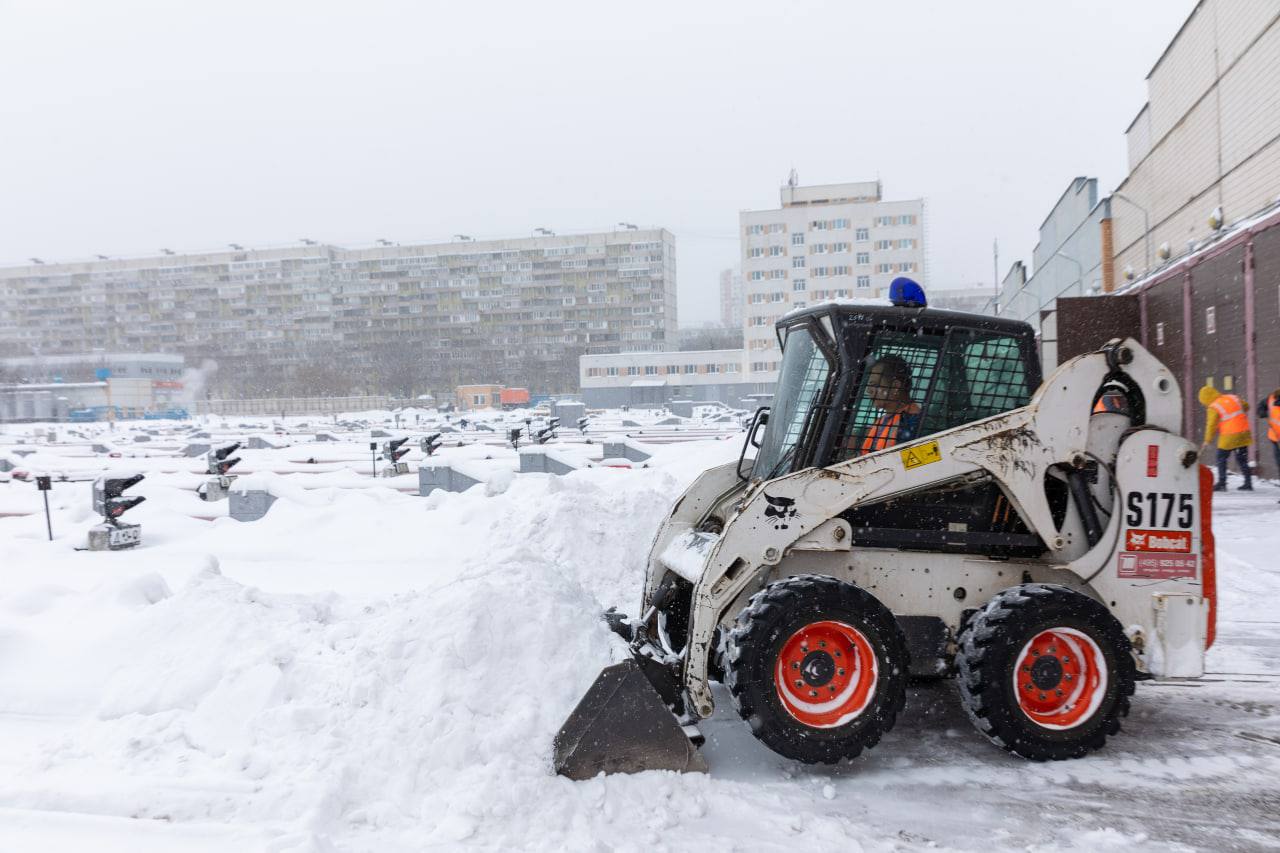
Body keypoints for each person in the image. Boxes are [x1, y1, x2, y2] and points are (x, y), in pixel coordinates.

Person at [855, 354, 922, 454]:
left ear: (895, 386)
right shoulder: (885, 420)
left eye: (874, 385)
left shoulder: (912, 421)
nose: (869, 391)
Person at [1199, 385, 1253, 491]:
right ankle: (1248, 483)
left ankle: (1222, 483)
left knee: (1221, 459)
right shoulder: (1232, 397)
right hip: (1243, 433)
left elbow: (1211, 425)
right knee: (1242, 460)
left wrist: (1207, 440)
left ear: (1206, 399)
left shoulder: (1213, 406)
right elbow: (1247, 406)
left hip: (1229, 436)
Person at [1257, 385, 1280, 493]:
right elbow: (1260, 409)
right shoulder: (1271, 399)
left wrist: (1263, 413)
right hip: (1275, 438)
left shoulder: (1271, 399)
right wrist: (1264, 413)